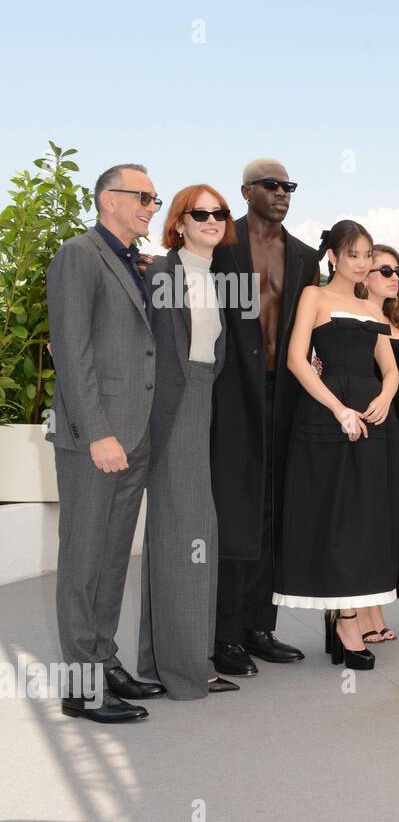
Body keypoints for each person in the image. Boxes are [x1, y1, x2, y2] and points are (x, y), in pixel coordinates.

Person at [47, 163, 163, 723]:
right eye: (142, 196)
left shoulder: (134, 263)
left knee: (114, 558)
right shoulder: (79, 255)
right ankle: (80, 686)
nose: (150, 205)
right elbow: (72, 352)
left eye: (155, 198)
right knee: (84, 560)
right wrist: (98, 433)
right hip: (97, 439)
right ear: (106, 199)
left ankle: (104, 659)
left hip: (133, 435)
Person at [273, 220, 399, 670]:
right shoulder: (316, 296)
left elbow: (389, 366)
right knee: (334, 514)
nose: (364, 263)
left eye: (368, 255)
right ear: (333, 257)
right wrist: (338, 409)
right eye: (354, 255)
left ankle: (347, 613)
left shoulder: (370, 305)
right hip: (328, 418)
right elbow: (296, 360)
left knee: (364, 518)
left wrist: (384, 398)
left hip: (372, 419)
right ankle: (346, 619)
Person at [210, 159, 319, 676]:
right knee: (236, 508)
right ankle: (223, 634)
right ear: (246, 190)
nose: (282, 193)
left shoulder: (303, 257)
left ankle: (259, 627)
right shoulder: (218, 243)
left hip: (288, 392)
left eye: (289, 186)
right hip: (229, 393)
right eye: (271, 185)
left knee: (276, 506)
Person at [137, 184, 239, 698]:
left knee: (187, 532)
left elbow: (211, 354)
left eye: (219, 213)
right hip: (174, 409)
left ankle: (167, 663)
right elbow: (152, 353)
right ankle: (185, 670)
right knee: (186, 534)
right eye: (200, 213)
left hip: (202, 402)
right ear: (178, 221)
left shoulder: (211, 275)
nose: (212, 219)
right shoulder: (164, 273)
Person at [353, 244, 399, 639]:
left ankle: (374, 605)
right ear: (363, 275)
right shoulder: (356, 318)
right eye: (384, 270)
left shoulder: (395, 322)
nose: (393, 277)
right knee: (366, 519)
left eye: (397, 272)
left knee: (389, 519)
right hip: (368, 426)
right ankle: (356, 612)